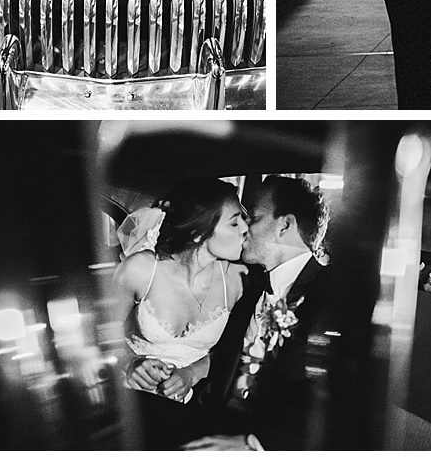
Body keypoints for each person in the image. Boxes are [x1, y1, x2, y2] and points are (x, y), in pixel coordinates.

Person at [181, 176, 331, 451]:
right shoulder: (251, 286)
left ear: (285, 225)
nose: (245, 229)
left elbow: (334, 400)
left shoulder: (330, 294)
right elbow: (230, 354)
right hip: (213, 418)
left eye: (254, 218)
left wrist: (254, 445)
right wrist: (189, 374)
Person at [115, 179, 249, 449]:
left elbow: (233, 352)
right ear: (199, 233)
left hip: (193, 410)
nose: (246, 229)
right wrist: (131, 362)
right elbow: (97, 334)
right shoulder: (141, 269)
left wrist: (191, 373)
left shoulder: (237, 280)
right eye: (234, 223)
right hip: (129, 405)